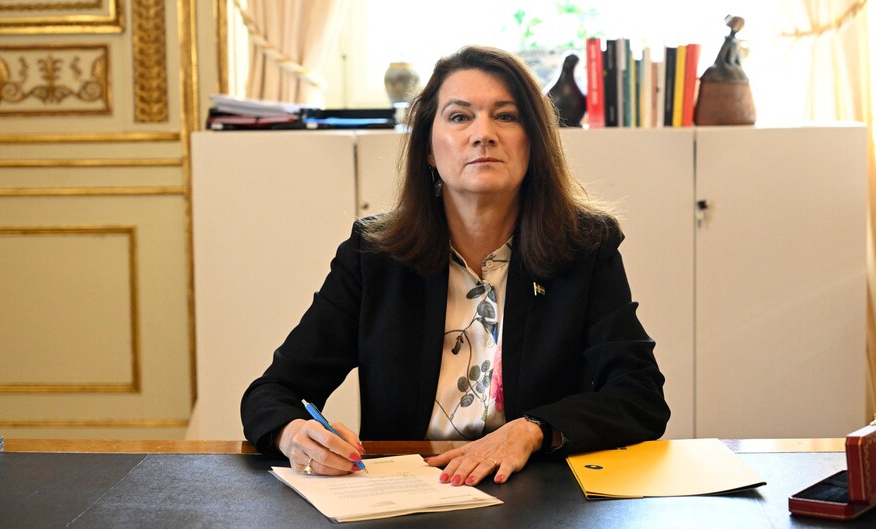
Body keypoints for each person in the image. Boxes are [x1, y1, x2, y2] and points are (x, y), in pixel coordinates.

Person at [241, 45, 670, 487]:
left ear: (534, 142)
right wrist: (294, 436)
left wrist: (533, 429)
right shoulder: (373, 256)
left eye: (505, 116)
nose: (483, 134)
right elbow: (272, 392)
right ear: (429, 147)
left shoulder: (585, 247)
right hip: (411, 498)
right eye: (460, 117)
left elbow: (639, 396)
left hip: (538, 494)